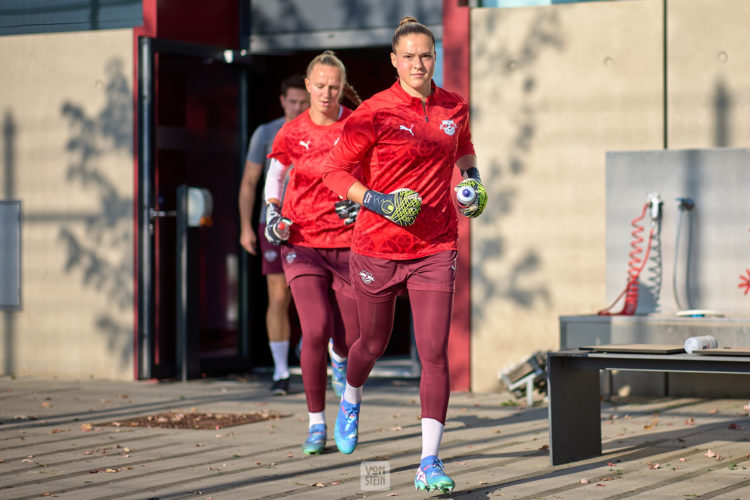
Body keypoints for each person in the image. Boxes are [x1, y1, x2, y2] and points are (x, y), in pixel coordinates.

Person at [321, 16, 487, 493]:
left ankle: (428, 461)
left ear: (435, 57)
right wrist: (378, 201)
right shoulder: (373, 111)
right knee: (371, 345)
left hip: (436, 244)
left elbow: (465, 150)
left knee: (434, 353)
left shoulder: (454, 105)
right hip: (378, 246)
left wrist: (472, 183)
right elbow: (335, 171)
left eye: (426, 55)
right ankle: (351, 396)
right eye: (409, 56)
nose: (418, 63)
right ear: (394, 61)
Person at [264, 50, 363, 455]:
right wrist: (272, 213)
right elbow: (275, 176)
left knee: (350, 338)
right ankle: (316, 423)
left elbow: (373, 174)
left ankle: (340, 361)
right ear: (307, 87)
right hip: (301, 243)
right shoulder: (291, 131)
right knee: (315, 327)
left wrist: (360, 203)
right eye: (319, 85)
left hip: (348, 243)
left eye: (334, 86)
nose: (326, 93)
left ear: (342, 88)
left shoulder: (356, 126)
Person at [238, 74, 309, 396]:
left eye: (302, 102)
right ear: (282, 100)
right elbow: (250, 182)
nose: (297, 107)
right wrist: (244, 226)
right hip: (274, 225)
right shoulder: (266, 133)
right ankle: (281, 372)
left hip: (312, 226)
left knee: (317, 296)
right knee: (279, 297)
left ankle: (310, 346)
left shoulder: (321, 130)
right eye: (292, 101)